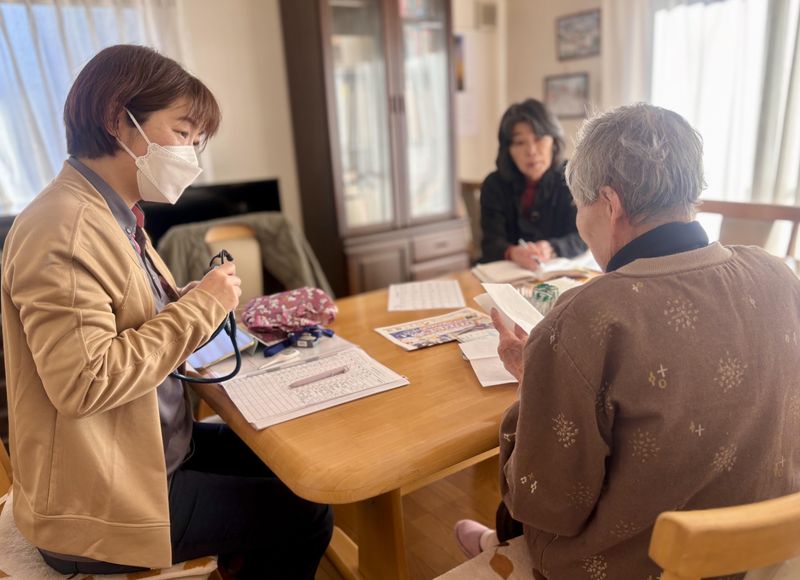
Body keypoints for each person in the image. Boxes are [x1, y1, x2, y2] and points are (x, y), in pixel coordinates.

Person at [1, 45, 332, 579]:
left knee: (298, 467)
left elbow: (140, 321)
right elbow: (85, 382)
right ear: (118, 119)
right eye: (183, 135)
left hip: (151, 451)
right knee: (307, 511)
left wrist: (190, 298)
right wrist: (202, 304)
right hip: (100, 497)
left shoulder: (115, 216)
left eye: (198, 143)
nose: (193, 158)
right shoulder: (63, 226)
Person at [455, 103, 800, 578]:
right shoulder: (778, 274)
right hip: (767, 546)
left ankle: (494, 545)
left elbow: (547, 502)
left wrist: (536, 378)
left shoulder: (586, 317)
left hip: (638, 564)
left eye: (580, 206)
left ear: (610, 204)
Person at [480, 98, 586, 269]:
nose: (531, 151)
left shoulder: (573, 177)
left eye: (539, 139)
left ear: (554, 140)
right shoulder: (494, 184)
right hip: (507, 276)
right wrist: (512, 252)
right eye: (520, 142)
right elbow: (491, 242)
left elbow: (583, 237)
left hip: (558, 274)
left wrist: (551, 248)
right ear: (508, 149)